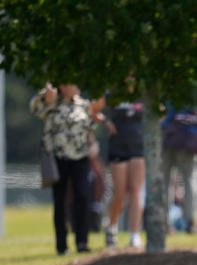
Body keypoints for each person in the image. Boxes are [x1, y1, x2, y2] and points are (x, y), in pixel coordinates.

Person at [30, 83, 105, 254]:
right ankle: (61, 245)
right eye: (73, 84)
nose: (77, 86)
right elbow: (35, 109)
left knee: (83, 197)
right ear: (63, 87)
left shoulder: (83, 105)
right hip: (58, 157)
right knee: (60, 200)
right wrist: (46, 96)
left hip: (80, 157)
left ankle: (82, 241)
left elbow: (89, 127)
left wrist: (96, 117)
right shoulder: (52, 104)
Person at [98, 89, 146, 248]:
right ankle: (111, 227)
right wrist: (106, 122)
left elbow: (160, 113)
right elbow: (92, 110)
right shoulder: (112, 95)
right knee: (120, 194)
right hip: (118, 147)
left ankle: (135, 234)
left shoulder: (144, 93)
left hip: (138, 148)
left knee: (135, 190)